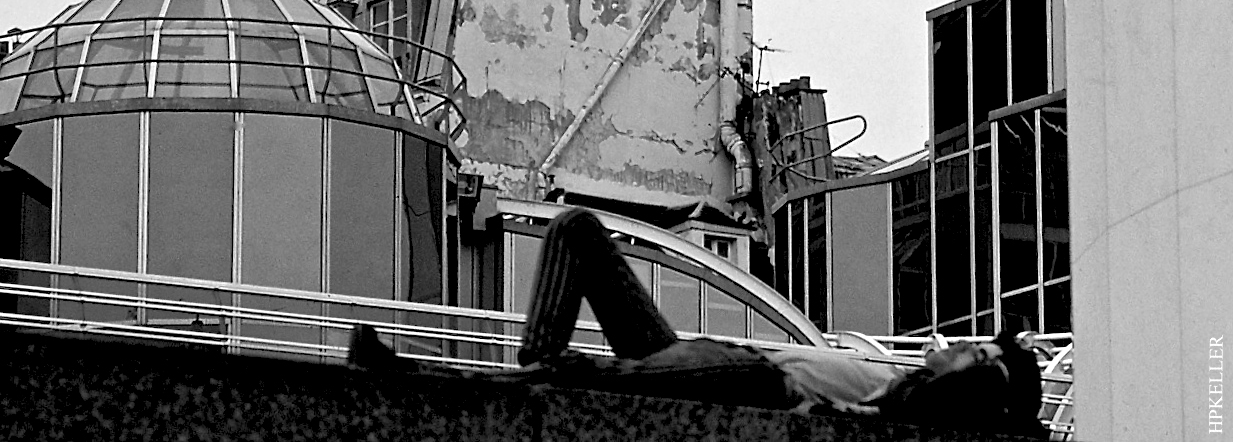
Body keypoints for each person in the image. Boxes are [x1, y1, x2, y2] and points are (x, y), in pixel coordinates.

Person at [350, 207, 1046, 438]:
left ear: (975, 383)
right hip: (710, 362)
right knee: (575, 230)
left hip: (747, 380)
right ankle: (527, 382)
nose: (952, 344)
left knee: (570, 375)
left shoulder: (908, 408)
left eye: (971, 350)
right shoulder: (902, 387)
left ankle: (420, 377)